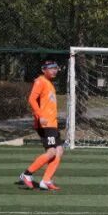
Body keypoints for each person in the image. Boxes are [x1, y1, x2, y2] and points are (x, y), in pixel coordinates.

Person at [18, 59, 64, 191]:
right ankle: (27, 174)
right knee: (52, 152)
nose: (54, 70)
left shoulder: (49, 83)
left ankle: (46, 180)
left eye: (55, 68)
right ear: (44, 70)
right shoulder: (40, 81)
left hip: (52, 123)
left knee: (59, 150)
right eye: (51, 68)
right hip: (45, 123)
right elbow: (31, 99)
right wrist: (40, 116)